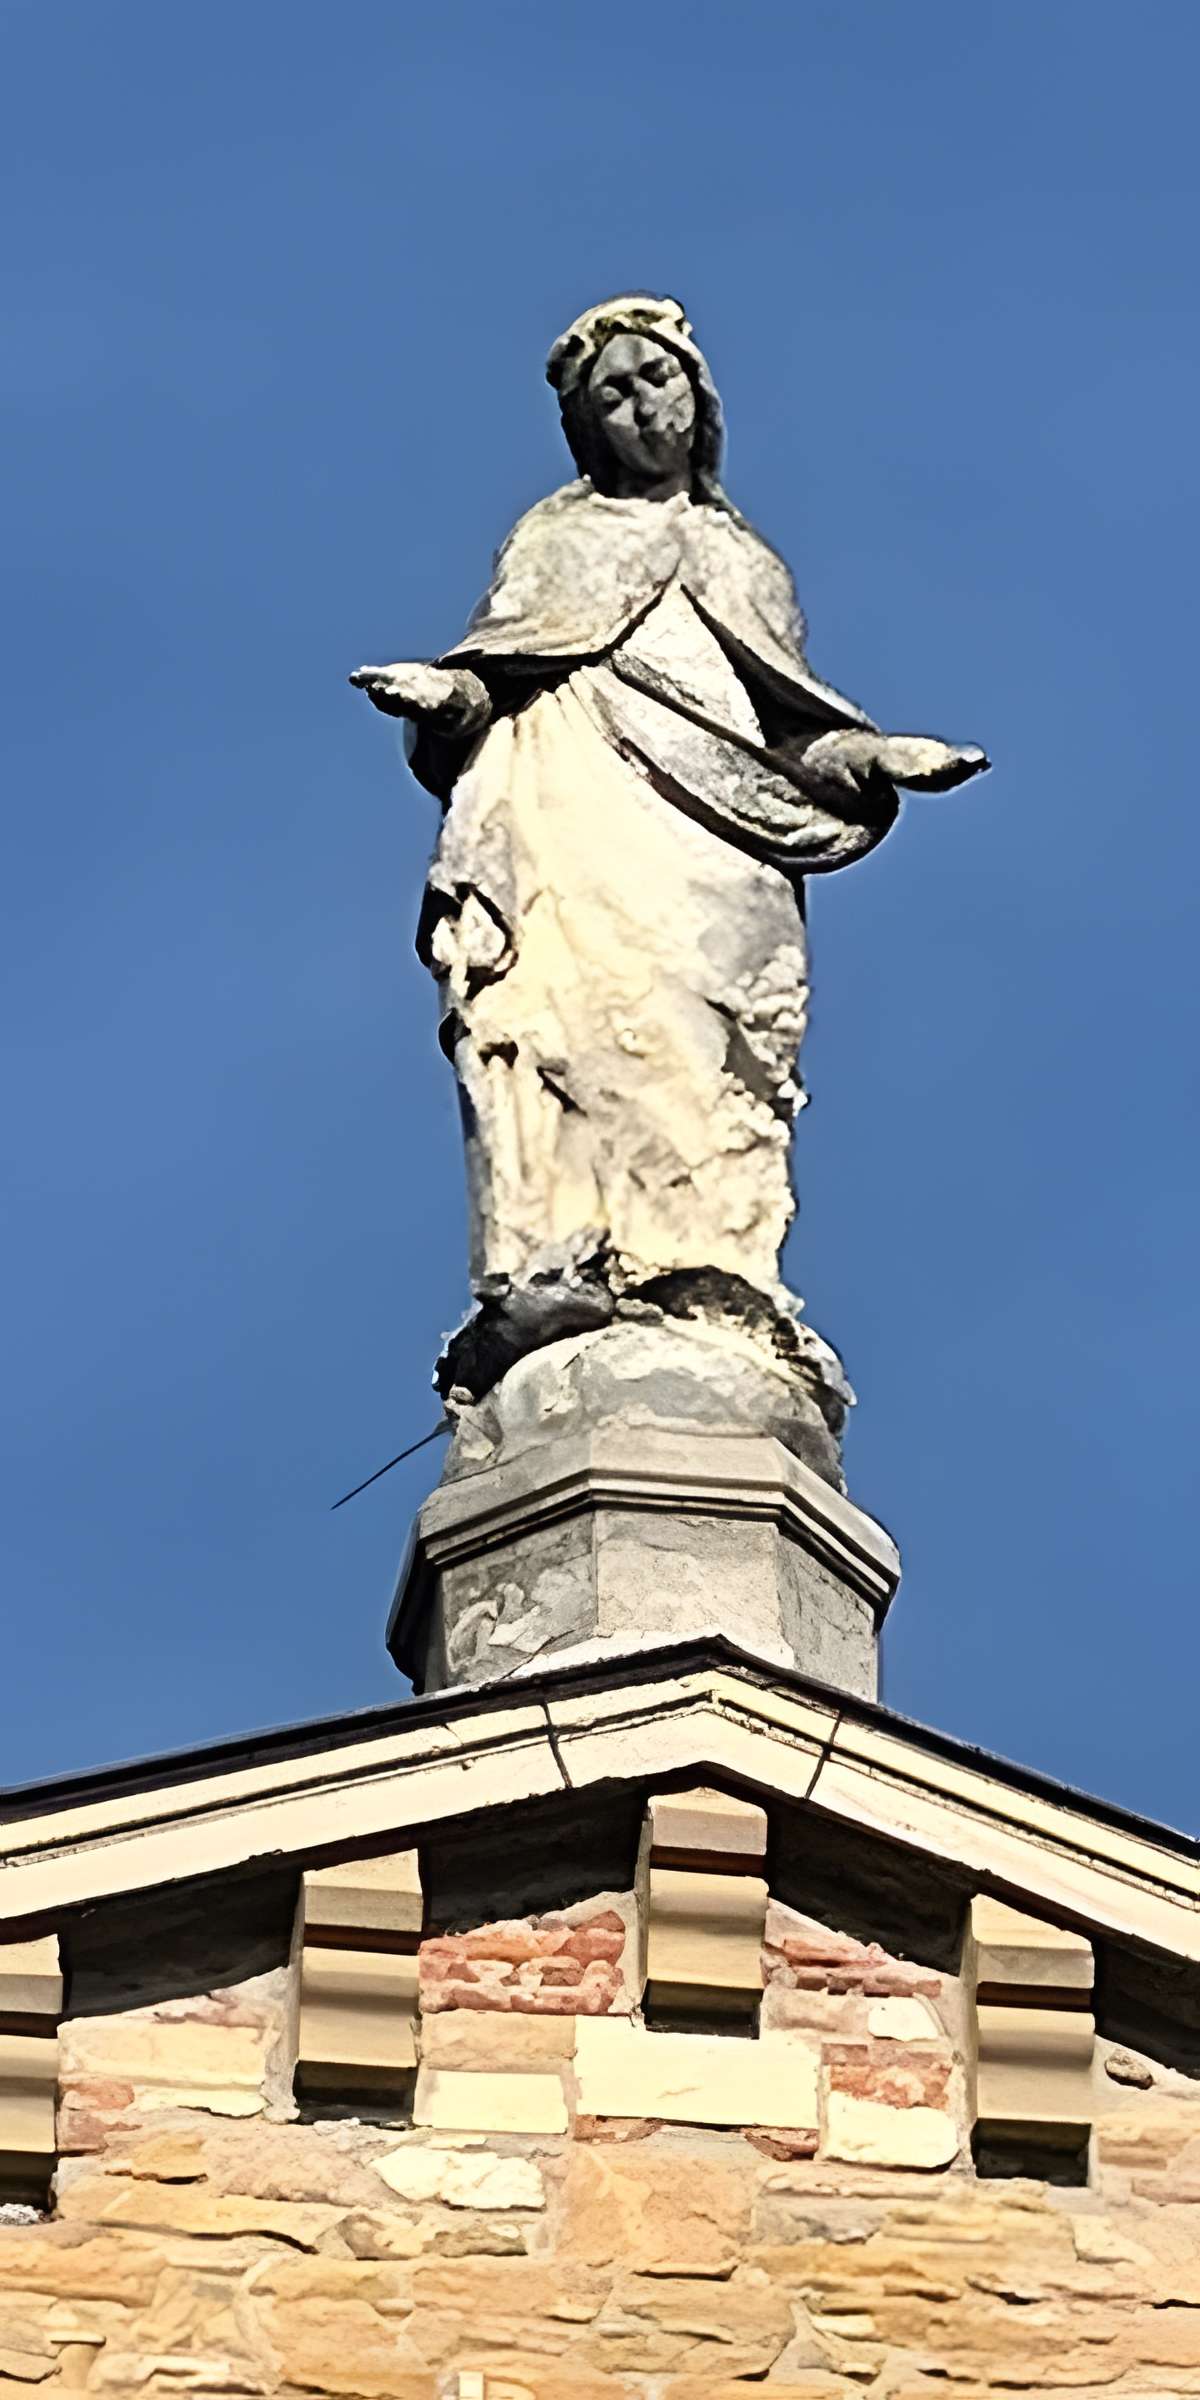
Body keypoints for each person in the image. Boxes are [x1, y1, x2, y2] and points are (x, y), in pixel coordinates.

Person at [352, 295, 985, 1401]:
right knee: (566, 1017)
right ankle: (566, 1257)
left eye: (660, 380)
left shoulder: (748, 563)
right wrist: (441, 695)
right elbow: (494, 675)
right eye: (615, 395)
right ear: (587, 430)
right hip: (572, 801)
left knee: (714, 1037)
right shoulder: (555, 541)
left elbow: (797, 739)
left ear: (700, 395)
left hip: (719, 847)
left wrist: (881, 759)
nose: (645, 407)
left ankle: (711, 1266)